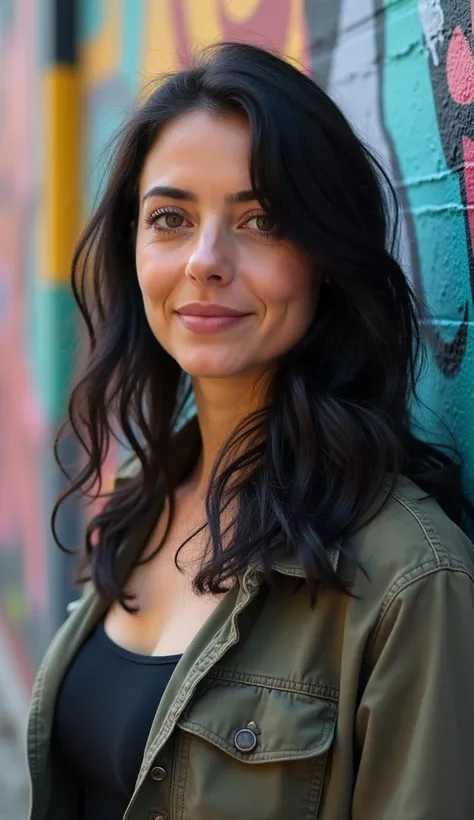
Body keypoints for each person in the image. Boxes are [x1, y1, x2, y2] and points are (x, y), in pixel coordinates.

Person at [28, 42, 474, 820]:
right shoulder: (143, 495)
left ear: (324, 258)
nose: (205, 260)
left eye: (261, 219)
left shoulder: (411, 581)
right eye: (170, 218)